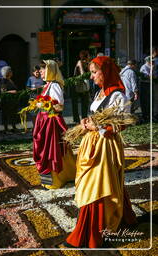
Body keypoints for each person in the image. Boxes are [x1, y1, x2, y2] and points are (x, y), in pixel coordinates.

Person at [64, 56, 136, 248]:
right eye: (92, 72)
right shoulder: (99, 94)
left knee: (97, 185)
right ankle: (121, 217)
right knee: (98, 182)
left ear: (106, 72)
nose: (92, 76)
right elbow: (95, 116)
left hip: (106, 145)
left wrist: (100, 129)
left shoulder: (118, 95)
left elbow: (122, 124)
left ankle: (97, 229)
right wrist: (85, 123)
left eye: (95, 72)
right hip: (92, 143)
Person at [33, 60, 76, 189]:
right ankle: (65, 174)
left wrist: (45, 105)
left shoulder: (55, 86)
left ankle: (56, 180)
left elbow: (60, 106)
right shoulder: (48, 85)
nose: (40, 71)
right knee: (47, 148)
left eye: (43, 69)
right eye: (40, 69)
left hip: (51, 122)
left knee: (51, 150)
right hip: (44, 121)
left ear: (50, 70)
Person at [71, 50, 90, 123]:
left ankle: (83, 118)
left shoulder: (87, 63)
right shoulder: (80, 62)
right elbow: (83, 75)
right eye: (88, 55)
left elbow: (88, 75)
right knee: (75, 103)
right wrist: (81, 66)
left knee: (84, 102)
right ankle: (77, 119)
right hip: (76, 85)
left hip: (83, 85)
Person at [0, 66, 18, 133]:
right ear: (7, 72)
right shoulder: (3, 81)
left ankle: (14, 127)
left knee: (13, 114)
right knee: (6, 114)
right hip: (6, 100)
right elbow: (3, 91)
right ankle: (6, 129)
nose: (12, 72)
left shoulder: (10, 79)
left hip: (12, 100)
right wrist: (12, 92)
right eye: (10, 71)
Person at [139, 56, 151, 123]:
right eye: (150, 61)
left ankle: (148, 114)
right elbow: (147, 76)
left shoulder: (150, 66)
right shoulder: (144, 67)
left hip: (149, 84)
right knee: (145, 100)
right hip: (144, 84)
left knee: (149, 100)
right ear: (147, 61)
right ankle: (145, 115)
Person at [152, 46, 158, 122]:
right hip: (155, 81)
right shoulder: (154, 60)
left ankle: (155, 114)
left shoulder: (154, 61)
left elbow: (153, 72)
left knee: (155, 99)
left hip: (155, 81)